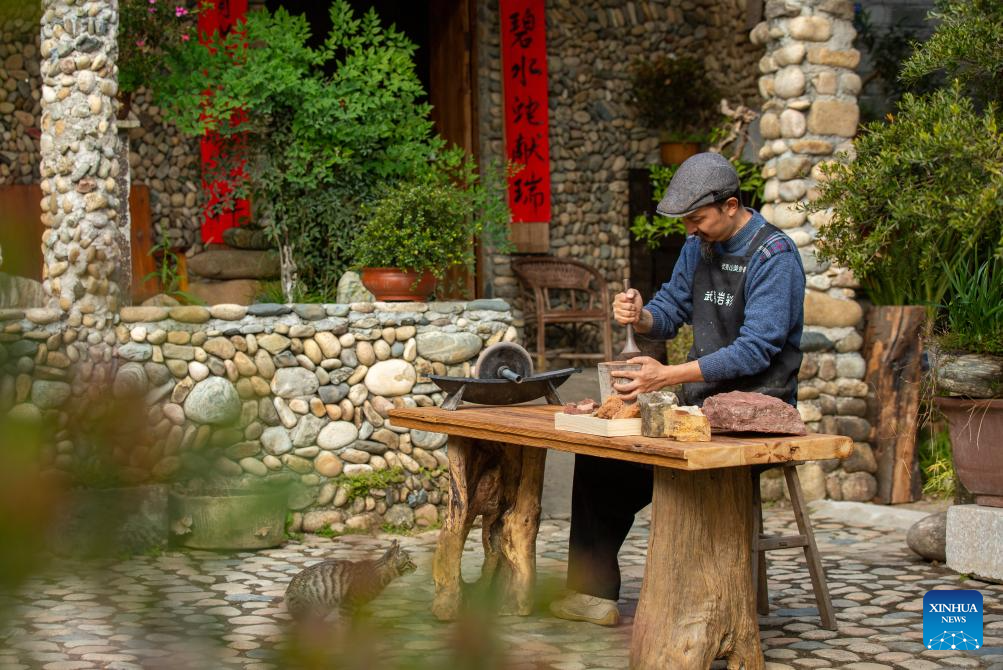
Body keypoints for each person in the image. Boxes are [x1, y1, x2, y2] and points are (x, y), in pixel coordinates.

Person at [549, 152, 806, 626]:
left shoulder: (775, 256)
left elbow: (756, 351)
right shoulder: (700, 248)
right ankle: (592, 593)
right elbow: (668, 312)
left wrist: (667, 376)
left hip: (758, 409)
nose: (690, 229)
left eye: (697, 218)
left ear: (731, 205)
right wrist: (640, 315)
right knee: (601, 456)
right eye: (686, 221)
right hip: (702, 404)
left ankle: (700, 604)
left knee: (657, 467)